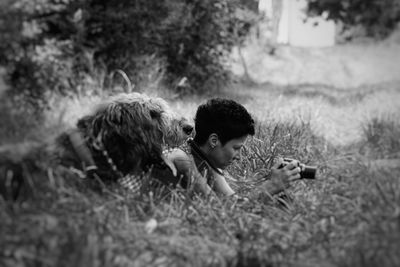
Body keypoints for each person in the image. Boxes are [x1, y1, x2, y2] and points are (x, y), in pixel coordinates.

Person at [166, 98, 301, 198]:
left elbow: (233, 198)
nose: (238, 156)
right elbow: (227, 209)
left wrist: (270, 182)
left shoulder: (200, 157)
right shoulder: (184, 160)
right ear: (214, 140)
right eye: (236, 148)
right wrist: (271, 186)